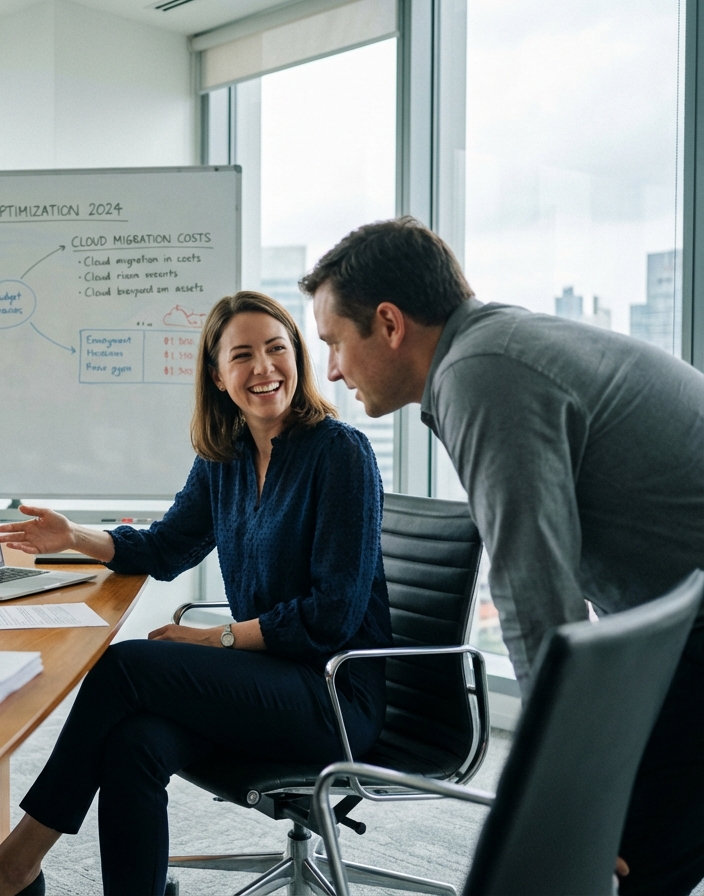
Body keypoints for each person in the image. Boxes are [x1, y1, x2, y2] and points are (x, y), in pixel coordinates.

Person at [0, 291, 392, 896]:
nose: (264, 368)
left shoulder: (340, 454)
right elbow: (166, 548)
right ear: (217, 374)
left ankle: (13, 867)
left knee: (124, 667)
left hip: (333, 695)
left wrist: (217, 640)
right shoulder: (226, 457)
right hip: (266, 679)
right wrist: (75, 536)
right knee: (135, 743)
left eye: (277, 349)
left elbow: (332, 615)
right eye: (243, 355)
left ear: (298, 358)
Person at [302, 216, 704, 896]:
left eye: (335, 343)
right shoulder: (498, 346)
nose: (333, 370)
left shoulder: (480, 377)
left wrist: (563, 794)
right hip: (679, 623)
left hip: (688, 630)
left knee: (594, 859)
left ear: (391, 323)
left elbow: (533, 593)